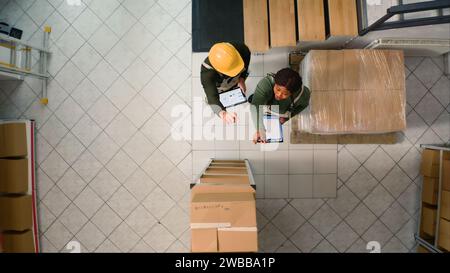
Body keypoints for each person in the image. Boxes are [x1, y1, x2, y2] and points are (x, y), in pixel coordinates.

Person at [249, 68, 310, 144]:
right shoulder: (266, 83)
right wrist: (260, 129)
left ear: (292, 93)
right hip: (267, 104)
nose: (279, 95)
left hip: (283, 110)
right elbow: (255, 106)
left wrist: (288, 117)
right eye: (277, 89)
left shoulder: (303, 94)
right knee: (255, 100)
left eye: (285, 94)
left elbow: (303, 105)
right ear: (275, 83)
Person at [201, 42, 251, 124]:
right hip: (220, 85)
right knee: (213, 100)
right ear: (218, 69)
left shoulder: (241, 49)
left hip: (236, 78)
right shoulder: (207, 73)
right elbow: (212, 96)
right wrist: (223, 114)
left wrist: (242, 78)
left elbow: (246, 60)